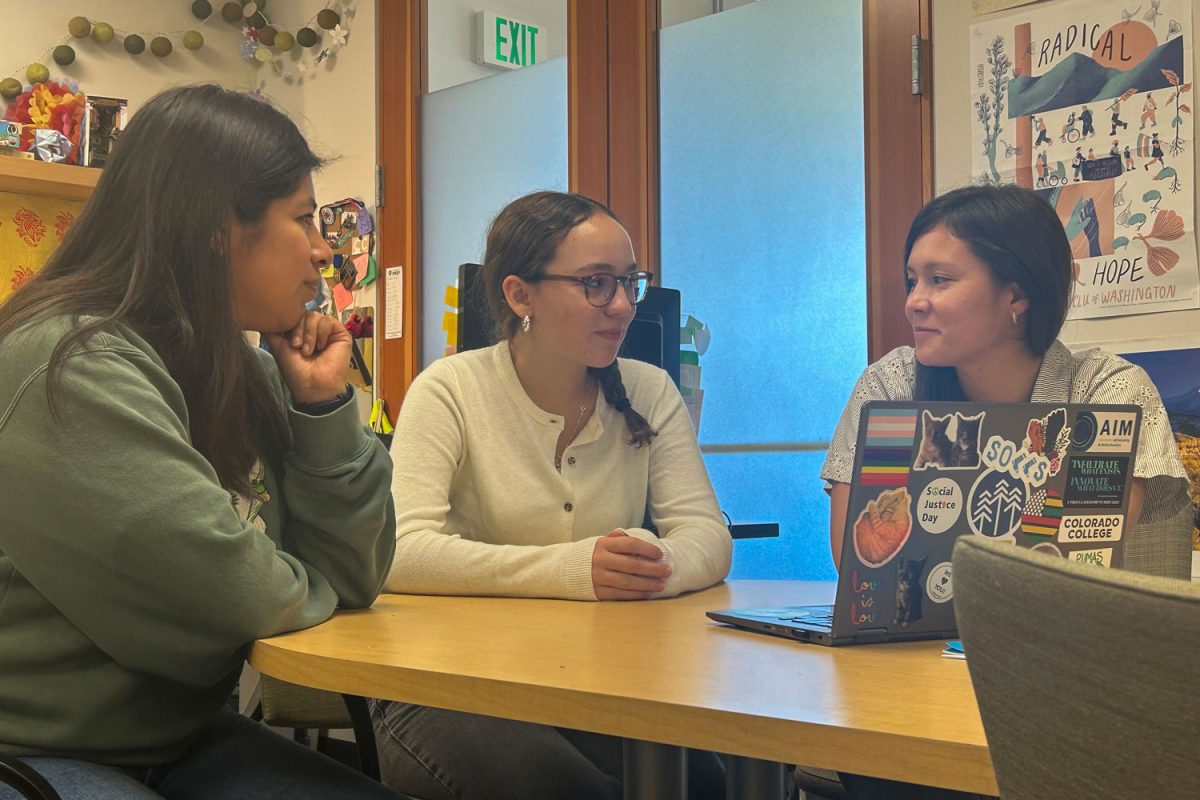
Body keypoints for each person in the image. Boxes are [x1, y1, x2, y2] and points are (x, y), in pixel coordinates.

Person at [0, 85, 400, 799]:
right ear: (218, 225)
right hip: (36, 748)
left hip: (179, 738)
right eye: (303, 219)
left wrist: (324, 406)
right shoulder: (67, 364)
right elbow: (238, 596)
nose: (321, 251)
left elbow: (356, 576)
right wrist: (298, 584)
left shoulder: (243, 364)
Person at [820, 183, 1189, 799]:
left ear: (1016, 294)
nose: (915, 302)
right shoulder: (892, 382)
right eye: (911, 280)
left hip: (1074, 687)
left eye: (940, 279)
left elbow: (1071, 574)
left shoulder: (1106, 389)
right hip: (915, 678)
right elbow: (858, 561)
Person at [373, 190, 733, 800]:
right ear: (520, 295)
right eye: (595, 284)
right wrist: (573, 569)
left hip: (591, 681)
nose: (621, 306)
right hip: (447, 683)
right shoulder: (450, 390)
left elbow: (707, 535)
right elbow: (400, 552)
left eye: (629, 283)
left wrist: (653, 567)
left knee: (703, 779)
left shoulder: (649, 390)